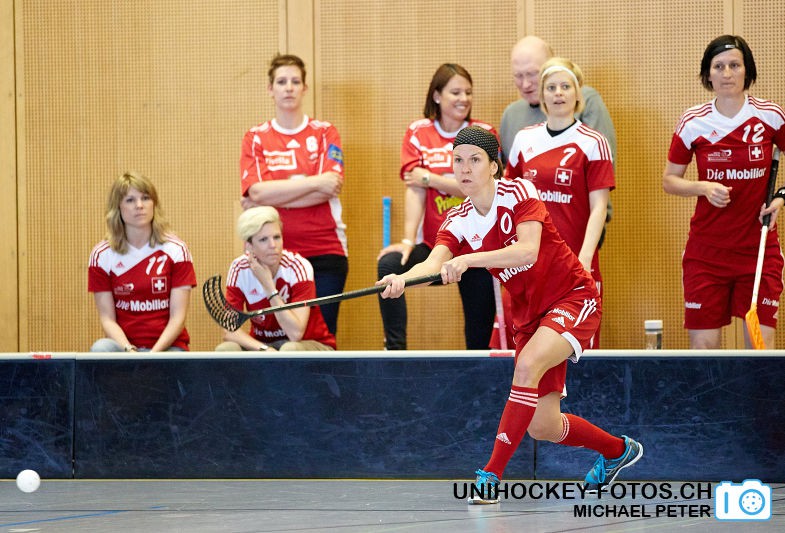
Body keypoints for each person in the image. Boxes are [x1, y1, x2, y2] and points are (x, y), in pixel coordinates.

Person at [378, 126, 642, 503]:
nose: (464, 168)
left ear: (494, 166)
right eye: (457, 161)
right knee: (543, 426)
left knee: (526, 366)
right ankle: (619, 451)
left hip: (572, 297)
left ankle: (490, 476)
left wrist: (468, 260)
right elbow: (435, 264)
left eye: (474, 160)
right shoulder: (457, 220)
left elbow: (527, 251)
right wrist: (403, 279)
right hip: (530, 318)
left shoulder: (520, 191)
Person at [663, 35, 785, 349]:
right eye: (719, 66)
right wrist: (702, 187)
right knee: (703, 352)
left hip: (757, 250)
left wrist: (781, 197)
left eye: (734, 65)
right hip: (707, 254)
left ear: (747, 71)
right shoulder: (694, 122)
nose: (727, 73)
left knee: (760, 350)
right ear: (708, 75)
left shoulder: (770, 116)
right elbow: (670, 180)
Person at [376, 63, 497, 350]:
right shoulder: (418, 132)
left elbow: (483, 187)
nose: (463, 99)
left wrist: (432, 178)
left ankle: (479, 369)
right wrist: (408, 240)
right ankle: (395, 352)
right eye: (455, 92)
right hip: (436, 246)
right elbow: (415, 188)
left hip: (476, 250)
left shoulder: (483, 133)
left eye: (468, 92)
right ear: (437, 96)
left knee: (478, 338)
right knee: (390, 264)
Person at [504, 57, 615, 348]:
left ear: (578, 93)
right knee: (529, 352)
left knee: (576, 351)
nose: (558, 93)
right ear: (541, 96)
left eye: (566, 86)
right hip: (530, 265)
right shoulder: (524, 139)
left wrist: (585, 259)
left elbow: (599, 207)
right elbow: (507, 197)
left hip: (574, 263)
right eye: (551, 87)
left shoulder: (593, 142)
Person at [240, 54, 347, 335]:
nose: (288, 87)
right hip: (272, 257)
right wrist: (315, 183)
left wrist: (269, 196)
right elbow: (255, 191)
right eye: (281, 81)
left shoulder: (325, 133)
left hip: (325, 250)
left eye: (295, 81)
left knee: (321, 339)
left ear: (304, 88)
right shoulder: (256, 137)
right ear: (270, 88)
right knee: (279, 338)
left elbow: (331, 186)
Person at [88, 171, 196, 352]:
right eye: (130, 200)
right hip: (124, 347)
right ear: (118, 208)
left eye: (145, 198)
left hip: (168, 348)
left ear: (154, 204)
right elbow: (107, 319)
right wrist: (129, 350)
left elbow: (178, 318)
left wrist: (153, 355)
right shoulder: (101, 255)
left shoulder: (177, 250)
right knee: (100, 349)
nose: (139, 205)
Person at [215, 206, 336, 352]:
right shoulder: (239, 269)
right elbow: (229, 331)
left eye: (277, 237)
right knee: (226, 349)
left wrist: (269, 287)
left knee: (288, 350)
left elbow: (295, 334)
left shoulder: (298, 266)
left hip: (309, 343)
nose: (273, 245)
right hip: (265, 345)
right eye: (263, 239)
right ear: (249, 246)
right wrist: (264, 349)